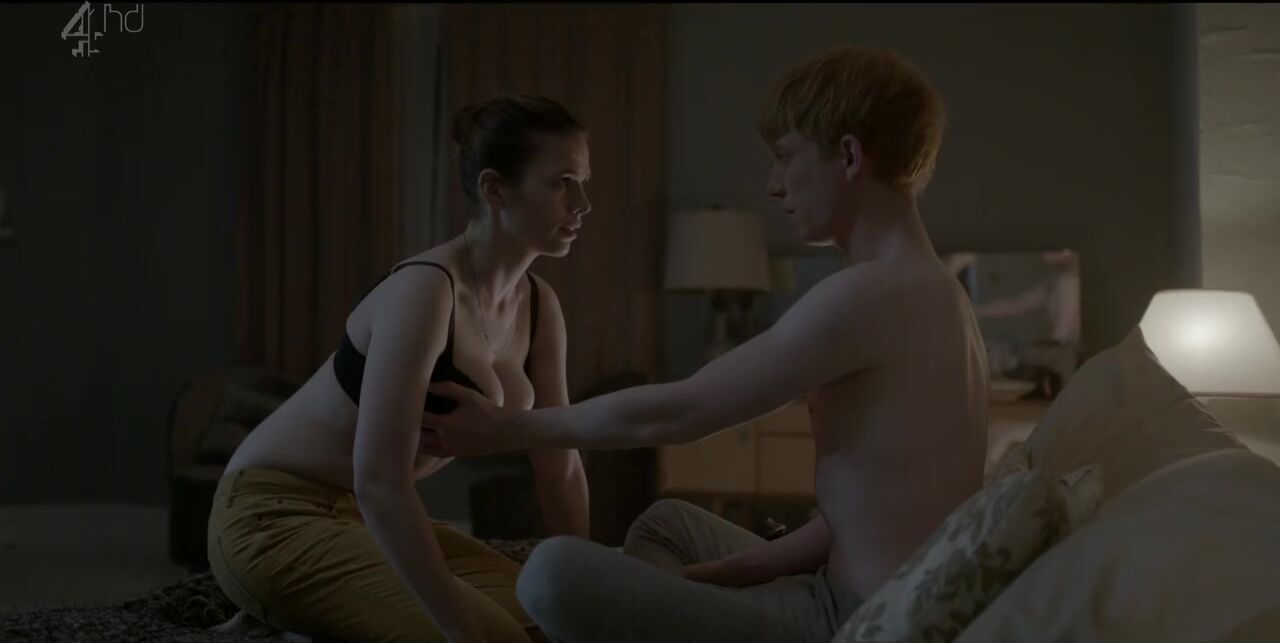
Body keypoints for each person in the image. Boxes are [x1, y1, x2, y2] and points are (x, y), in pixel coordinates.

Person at [420, 46, 990, 643]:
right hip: (832, 587)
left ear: (849, 156)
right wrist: (721, 576)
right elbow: (864, 516)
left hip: (845, 620)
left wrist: (507, 428)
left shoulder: (872, 295)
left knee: (550, 573)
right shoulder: (937, 293)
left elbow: (682, 412)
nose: (773, 185)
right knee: (666, 525)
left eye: (785, 157)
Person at [208, 94, 593, 643]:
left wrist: (581, 592)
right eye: (562, 183)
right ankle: (283, 605)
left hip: (357, 519)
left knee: (549, 617)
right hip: (273, 515)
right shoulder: (425, 290)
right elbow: (380, 480)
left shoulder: (540, 306)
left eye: (583, 182)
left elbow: (561, 466)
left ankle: (309, 614)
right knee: (491, 636)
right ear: (495, 189)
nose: (582, 204)